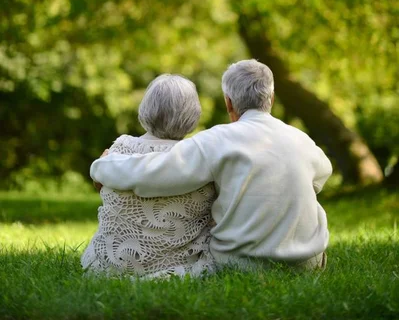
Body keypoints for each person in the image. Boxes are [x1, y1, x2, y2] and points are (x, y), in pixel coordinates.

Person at [91, 60, 332, 271]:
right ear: (271, 98)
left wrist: (103, 165)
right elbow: (322, 175)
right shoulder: (303, 140)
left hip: (242, 264)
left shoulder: (217, 140)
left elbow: (153, 173)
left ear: (229, 102)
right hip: (307, 263)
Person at [82, 74, 216, 279]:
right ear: (193, 115)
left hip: (107, 266)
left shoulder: (122, 147)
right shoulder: (198, 157)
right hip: (177, 266)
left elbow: (102, 187)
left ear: (146, 108)